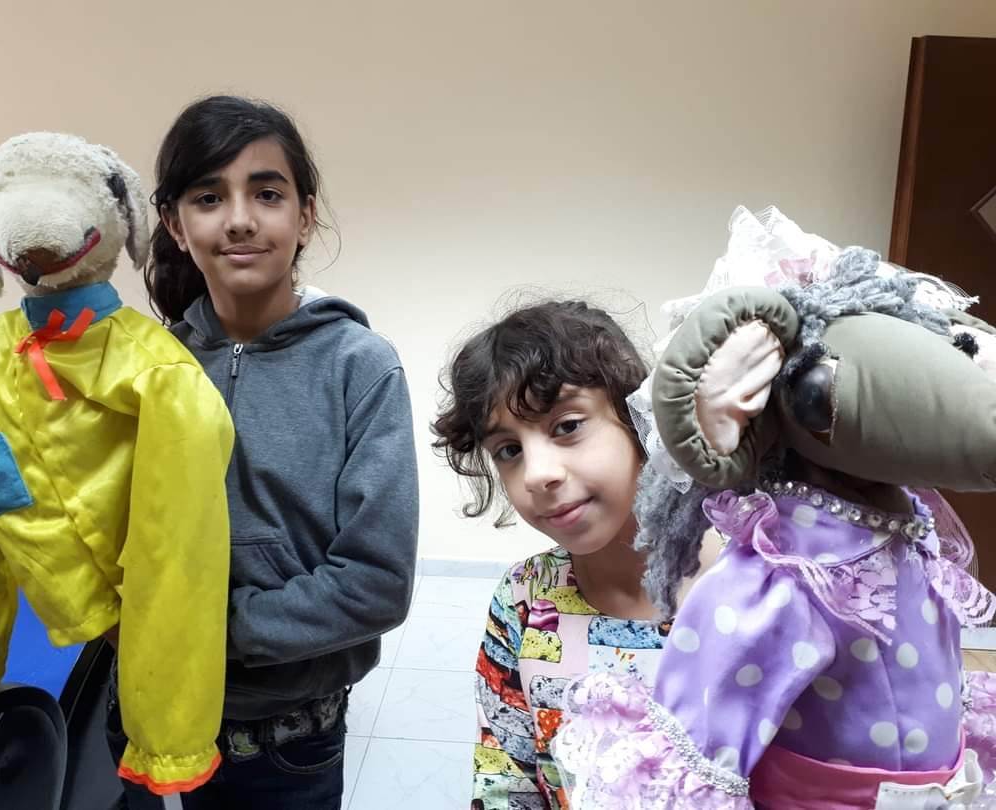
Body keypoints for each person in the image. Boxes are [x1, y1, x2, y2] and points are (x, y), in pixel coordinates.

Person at [108, 95, 419, 809]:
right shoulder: (148, 369)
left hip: (284, 740)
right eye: (208, 197)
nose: (240, 219)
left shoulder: (360, 367)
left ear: (304, 216)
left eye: (267, 193)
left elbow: (375, 582)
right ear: (174, 224)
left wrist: (208, 629)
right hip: (146, 716)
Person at [432, 299, 718, 809]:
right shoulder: (524, 598)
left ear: (639, 417)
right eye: (509, 450)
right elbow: (505, 780)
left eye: (567, 426)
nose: (537, 473)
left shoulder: (757, 581)